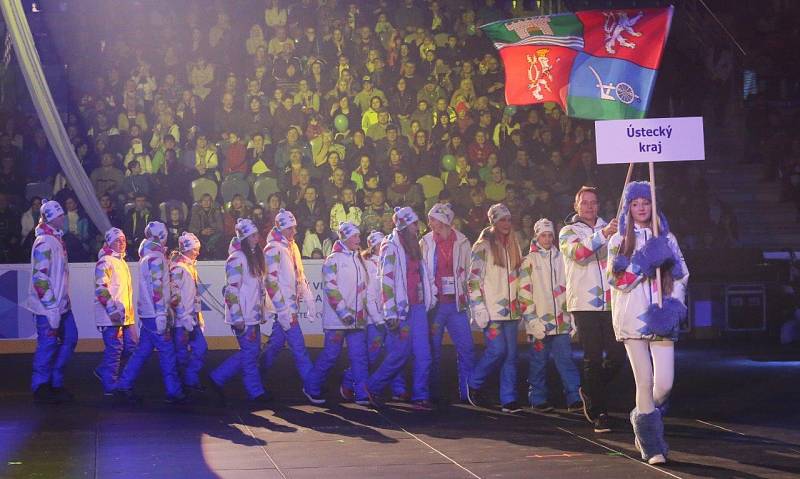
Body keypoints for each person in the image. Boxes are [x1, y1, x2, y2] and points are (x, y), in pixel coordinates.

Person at [607, 182, 689, 465]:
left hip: (662, 317)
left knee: (664, 384)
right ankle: (651, 444)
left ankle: (642, 415)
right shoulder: (617, 242)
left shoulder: (668, 239)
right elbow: (617, 283)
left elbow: (681, 275)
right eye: (635, 203)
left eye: (646, 202)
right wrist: (642, 262)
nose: (641, 208)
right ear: (628, 208)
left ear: (654, 205)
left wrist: (673, 306)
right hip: (632, 318)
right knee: (644, 380)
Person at [559, 186, 623, 433]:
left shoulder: (610, 227)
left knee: (618, 357)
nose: (589, 206)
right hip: (584, 304)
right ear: (576, 206)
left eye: (593, 202)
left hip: (611, 302)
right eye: (584, 202)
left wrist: (617, 236)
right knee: (593, 358)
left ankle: (589, 390)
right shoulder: (568, 231)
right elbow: (579, 253)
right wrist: (604, 235)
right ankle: (599, 412)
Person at [364, 207, 435, 411]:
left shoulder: (415, 246)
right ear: (404, 225)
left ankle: (421, 395)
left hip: (419, 307)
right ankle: (372, 386)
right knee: (400, 353)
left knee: (424, 354)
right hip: (401, 309)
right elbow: (385, 280)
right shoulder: (390, 246)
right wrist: (390, 311)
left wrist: (432, 295)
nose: (417, 227)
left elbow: (423, 274)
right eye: (414, 223)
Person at [115, 222, 185, 404]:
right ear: (161, 236)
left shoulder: (148, 256)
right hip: (155, 314)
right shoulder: (155, 258)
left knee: (142, 350)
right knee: (167, 352)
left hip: (148, 313)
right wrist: (162, 313)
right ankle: (174, 390)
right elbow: (157, 287)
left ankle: (124, 384)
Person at [303, 222, 372, 405]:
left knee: (359, 356)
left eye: (359, 236)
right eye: (355, 236)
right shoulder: (333, 260)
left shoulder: (358, 259)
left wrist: (364, 312)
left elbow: (364, 289)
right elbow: (331, 288)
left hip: (357, 320)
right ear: (345, 237)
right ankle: (311, 387)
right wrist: (343, 312)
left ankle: (362, 392)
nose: (359, 239)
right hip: (337, 321)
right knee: (330, 355)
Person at [466, 204, 524, 413]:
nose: (506, 223)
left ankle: (508, 399)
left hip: (512, 311)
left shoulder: (514, 245)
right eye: (502, 220)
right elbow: (473, 280)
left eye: (508, 219)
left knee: (510, 355)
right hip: (491, 312)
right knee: (497, 350)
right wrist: (478, 308)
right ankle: (474, 382)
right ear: (493, 222)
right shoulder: (482, 247)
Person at [519, 218, 582, 412]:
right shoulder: (529, 261)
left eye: (549, 235)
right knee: (538, 362)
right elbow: (524, 293)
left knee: (566, 360)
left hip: (561, 321)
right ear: (536, 236)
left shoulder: (562, 257)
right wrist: (532, 320)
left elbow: (571, 287)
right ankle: (537, 399)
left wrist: (572, 318)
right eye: (543, 235)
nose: (547, 239)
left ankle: (574, 398)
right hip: (539, 323)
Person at [209, 219, 273, 406]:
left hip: (251, 315)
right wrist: (237, 317)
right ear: (244, 238)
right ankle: (254, 391)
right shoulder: (237, 258)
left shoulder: (253, 256)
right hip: (243, 316)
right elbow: (231, 290)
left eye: (257, 234)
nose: (257, 238)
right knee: (250, 353)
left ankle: (220, 378)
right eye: (253, 235)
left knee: (251, 352)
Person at [340, 230, 408, 401]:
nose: (382, 247)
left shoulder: (390, 261)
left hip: (390, 317)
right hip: (375, 320)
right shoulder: (368, 265)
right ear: (373, 246)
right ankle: (348, 383)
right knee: (372, 355)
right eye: (378, 245)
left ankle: (398, 388)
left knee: (394, 353)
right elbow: (369, 297)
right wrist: (378, 319)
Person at [420, 203, 474, 404]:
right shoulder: (424, 242)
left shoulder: (462, 241)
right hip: (435, 306)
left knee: (466, 348)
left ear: (444, 220)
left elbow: (470, 271)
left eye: (433, 219)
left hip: (456, 305)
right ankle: (432, 392)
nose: (430, 223)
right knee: (432, 350)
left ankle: (468, 391)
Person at [27, 200, 78, 403]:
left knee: (70, 338)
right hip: (48, 307)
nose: (63, 216)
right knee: (47, 345)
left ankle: (55, 381)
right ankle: (41, 385)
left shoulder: (55, 239)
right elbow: (40, 277)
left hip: (62, 305)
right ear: (49, 217)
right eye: (59, 215)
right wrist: (50, 306)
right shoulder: (44, 243)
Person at [260, 209, 315, 384]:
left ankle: (256, 372)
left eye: (295, 227)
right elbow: (270, 282)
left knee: (275, 345)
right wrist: (283, 309)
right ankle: (312, 385)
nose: (294, 232)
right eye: (290, 228)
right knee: (299, 348)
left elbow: (300, 274)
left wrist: (309, 298)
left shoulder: (292, 246)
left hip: (289, 307)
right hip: (285, 309)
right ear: (280, 228)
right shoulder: (272, 249)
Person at [93, 227, 138, 397]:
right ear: (109, 242)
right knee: (114, 350)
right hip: (110, 317)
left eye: (123, 240)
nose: (121, 243)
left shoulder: (122, 262)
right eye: (117, 240)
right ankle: (110, 385)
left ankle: (103, 371)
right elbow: (100, 288)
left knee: (131, 347)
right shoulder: (105, 261)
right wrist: (111, 310)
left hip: (126, 317)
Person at [170, 232, 208, 392]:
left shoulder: (189, 267)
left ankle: (189, 379)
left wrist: (198, 317)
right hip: (181, 320)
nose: (198, 253)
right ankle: (184, 382)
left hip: (191, 318)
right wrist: (183, 316)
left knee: (200, 348)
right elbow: (174, 296)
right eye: (195, 250)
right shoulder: (178, 268)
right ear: (186, 250)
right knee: (182, 353)